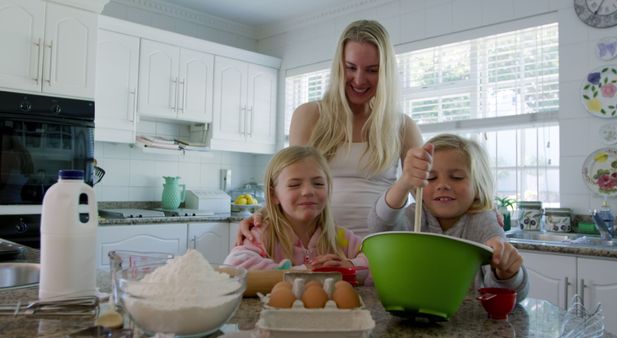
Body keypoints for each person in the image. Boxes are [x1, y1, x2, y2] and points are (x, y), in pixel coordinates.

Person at [235, 19, 423, 244]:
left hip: (384, 248)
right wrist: (262, 215)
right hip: (320, 247)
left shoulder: (402, 126)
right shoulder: (309, 116)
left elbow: (427, 200)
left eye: (372, 70)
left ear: (386, 73)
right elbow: (290, 181)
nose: (359, 80)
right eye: (351, 68)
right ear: (338, 67)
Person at [368, 134, 529, 302]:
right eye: (431, 178)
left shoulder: (483, 221)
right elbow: (378, 227)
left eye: (456, 177)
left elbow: (513, 293)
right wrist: (404, 182)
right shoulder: (414, 214)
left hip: (463, 323)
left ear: (478, 185)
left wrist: (507, 273)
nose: (442, 185)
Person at [224, 146, 368, 280]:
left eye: (318, 183)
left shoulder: (339, 237)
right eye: (294, 185)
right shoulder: (263, 234)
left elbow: (378, 259)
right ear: (274, 195)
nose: (308, 191)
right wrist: (305, 272)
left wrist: (349, 266)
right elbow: (233, 266)